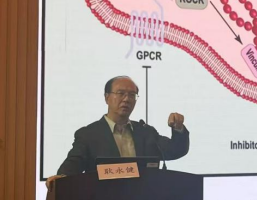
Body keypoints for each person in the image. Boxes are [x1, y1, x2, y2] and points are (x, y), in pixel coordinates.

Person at [46, 76, 189, 190]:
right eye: (121, 93)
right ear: (107, 97)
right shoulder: (89, 135)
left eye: (132, 95)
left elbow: (175, 150)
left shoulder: (146, 132)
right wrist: (62, 178)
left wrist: (178, 128)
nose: (126, 99)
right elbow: (74, 163)